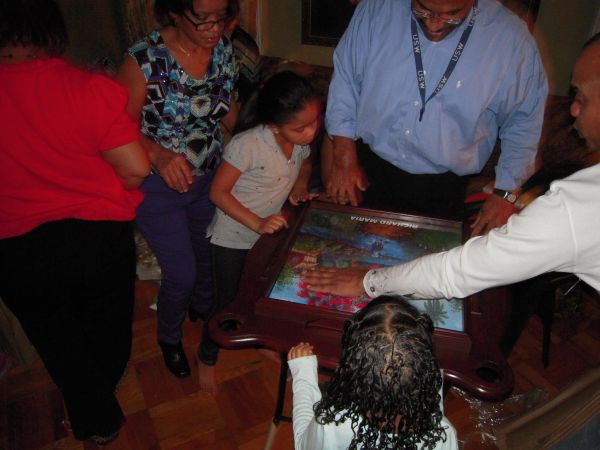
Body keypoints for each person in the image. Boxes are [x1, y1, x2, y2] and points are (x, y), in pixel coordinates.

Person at [301, 33, 600, 303]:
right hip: (378, 172)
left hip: (444, 187)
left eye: (581, 97)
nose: (573, 108)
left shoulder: (576, 207)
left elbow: (460, 272)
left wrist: (368, 281)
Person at [0, 0, 150, 444]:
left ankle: (94, 419)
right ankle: (101, 400)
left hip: (16, 245)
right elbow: (136, 168)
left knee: (56, 339)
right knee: (108, 328)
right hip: (96, 236)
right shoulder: (87, 89)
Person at [324, 0, 548, 234]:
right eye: (423, 9)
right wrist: (343, 156)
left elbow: (524, 122)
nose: (434, 25)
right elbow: (346, 80)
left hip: (443, 188)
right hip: (369, 170)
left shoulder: (511, 40)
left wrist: (506, 194)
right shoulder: (377, 8)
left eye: (452, 14)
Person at [116, 0, 239, 378]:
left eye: (221, 17)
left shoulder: (223, 48)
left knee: (206, 255)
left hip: (208, 179)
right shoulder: (143, 60)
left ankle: (201, 307)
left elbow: (227, 110)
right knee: (181, 273)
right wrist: (158, 153)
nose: (213, 27)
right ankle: (168, 337)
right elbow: (115, 129)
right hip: (157, 187)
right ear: (174, 11)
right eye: (201, 19)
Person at [198, 71, 321, 393]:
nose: (310, 133)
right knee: (227, 303)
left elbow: (306, 162)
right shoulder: (248, 145)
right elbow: (218, 193)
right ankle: (207, 357)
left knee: (259, 297)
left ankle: (259, 342)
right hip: (232, 238)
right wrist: (257, 223)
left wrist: (299, 184)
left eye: (314, 123)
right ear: (275, 125)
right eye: (301, 128)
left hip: (266, 239)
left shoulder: (298, 143)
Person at [287, 296, 458, 449]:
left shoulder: (332, 423)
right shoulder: (443, 434)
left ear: (352, 373)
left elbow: (303, 444)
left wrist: (303, 372)